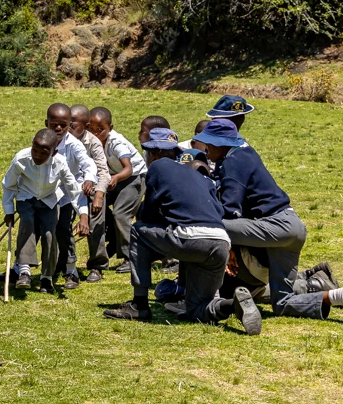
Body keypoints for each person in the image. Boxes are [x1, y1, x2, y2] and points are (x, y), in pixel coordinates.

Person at [198, 118, 343, 328]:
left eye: (208, 144)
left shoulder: (232, 162)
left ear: (220, 144)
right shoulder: (247, 153)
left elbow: (230, 212)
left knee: (209, 225)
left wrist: (228, 248)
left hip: (276, 226)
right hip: (293, 227)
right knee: (282, 303)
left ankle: (208, 300)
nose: (206, 150)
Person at [103, 128, 262, 334]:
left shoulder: (158, 167)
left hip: (190, 239)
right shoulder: (202, 177)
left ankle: (139, 304)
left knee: (138, 230)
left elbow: (148, 216)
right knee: (196, 308)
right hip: (220, 242)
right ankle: (233, 304)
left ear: (153, 154)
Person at [1, 129, 83, 295]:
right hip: (26, 197)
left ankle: (47, 277)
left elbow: (73, 190)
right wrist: (9, 210)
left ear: (54, 152)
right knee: (27, 224)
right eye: (35, 150)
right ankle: (24, 272)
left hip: (49, 200)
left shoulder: (60, 162)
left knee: (49, 235)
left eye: (43, 153)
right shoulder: (21, 158)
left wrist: (83, 215)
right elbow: (9, 185)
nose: (37, 155)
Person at [40, 104, 93, 289]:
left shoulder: (74, 145)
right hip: (46, 192)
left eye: (63, 125)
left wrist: (89, 178)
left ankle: (71, 271)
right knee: (42, 229)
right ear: (46, 123)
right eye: (54, 124)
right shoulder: (42, 141)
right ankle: (23, 269)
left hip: (69, 192)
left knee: (63, 228)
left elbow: (88, 164)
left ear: (69, 125)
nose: (58, 128)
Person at [87, 107, 143, 274]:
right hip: (112, 178)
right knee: (96, 207)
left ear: (110, 128)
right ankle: (112, 241)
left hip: (133, 177)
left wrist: (116, 178)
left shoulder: (116, 142)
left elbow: (128, 168)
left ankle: (130, 257)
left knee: (120, 214)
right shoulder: (89, 141)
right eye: (91, 129)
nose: (96, 133)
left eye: (100, 129)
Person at [68, 105, 110, 283]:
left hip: (92, 189)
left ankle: (97, 265)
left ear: (85, 126)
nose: (68, 128)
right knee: (63, 224)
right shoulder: (61, 140)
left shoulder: (93, 142)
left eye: (72, 125)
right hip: (69, 188)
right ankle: (64, 263)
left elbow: (103, 171)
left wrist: (99, 195)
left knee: (96, 224)